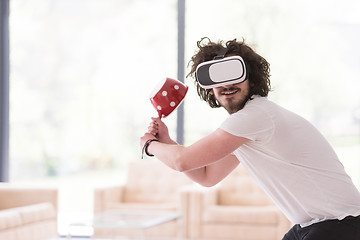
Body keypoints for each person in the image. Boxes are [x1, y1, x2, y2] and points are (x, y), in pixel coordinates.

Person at [140, 37, 360, 240]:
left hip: (339, 224)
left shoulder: (256, 116)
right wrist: (167, 142)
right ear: (210, 90)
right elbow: (207, 176)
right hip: (314, 226)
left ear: (252, 81)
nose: (227, 85)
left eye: (234, 74)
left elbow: (182, 161)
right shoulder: (246, 129)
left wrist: (150, 145)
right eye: (218, 78)